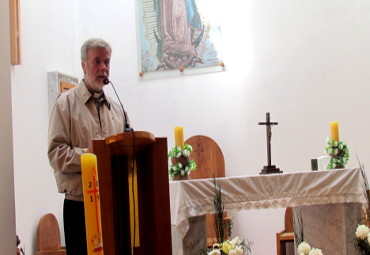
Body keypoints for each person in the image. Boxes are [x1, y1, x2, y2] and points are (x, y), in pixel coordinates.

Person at [48, 38, 130, 255]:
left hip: (113, 203)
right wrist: (91, 156)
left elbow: (128, 150)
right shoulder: (65, 105)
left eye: (107, 62)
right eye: (97, 62)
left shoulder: (117, 109)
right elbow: (56, 154)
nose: (103, 68)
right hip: (80, 206)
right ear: (84, 65)